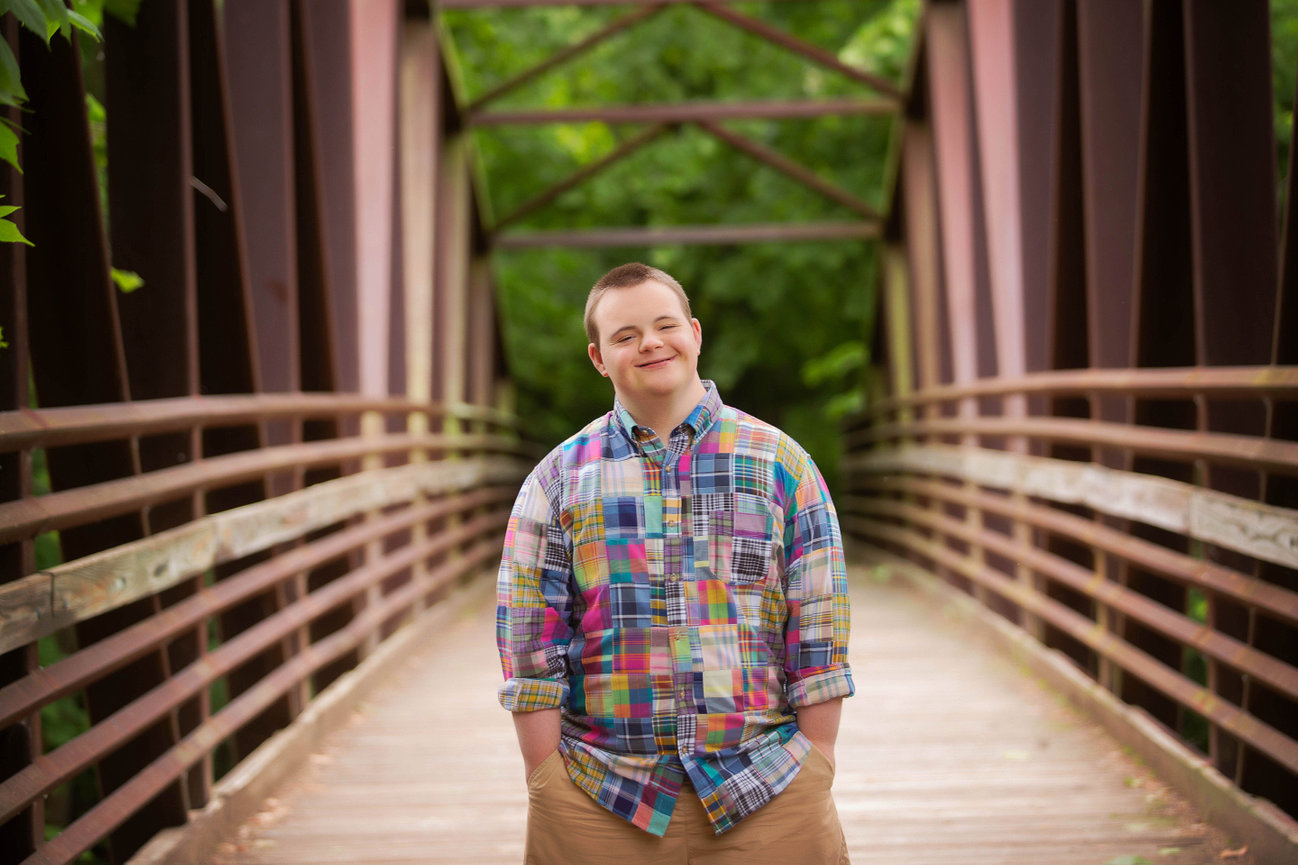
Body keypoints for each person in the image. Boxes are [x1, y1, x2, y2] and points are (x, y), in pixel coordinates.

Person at [495, 262, 854, 864]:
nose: (650, 343)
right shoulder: (558, 479)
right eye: (625, 335)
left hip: (767, 785)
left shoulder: (781, 464)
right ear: (598, 358)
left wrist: (816, 760)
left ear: (694, 333)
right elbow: (529, 636)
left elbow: (819, 620)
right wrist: (546, 778)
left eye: (665, 325)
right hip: (599, 794)